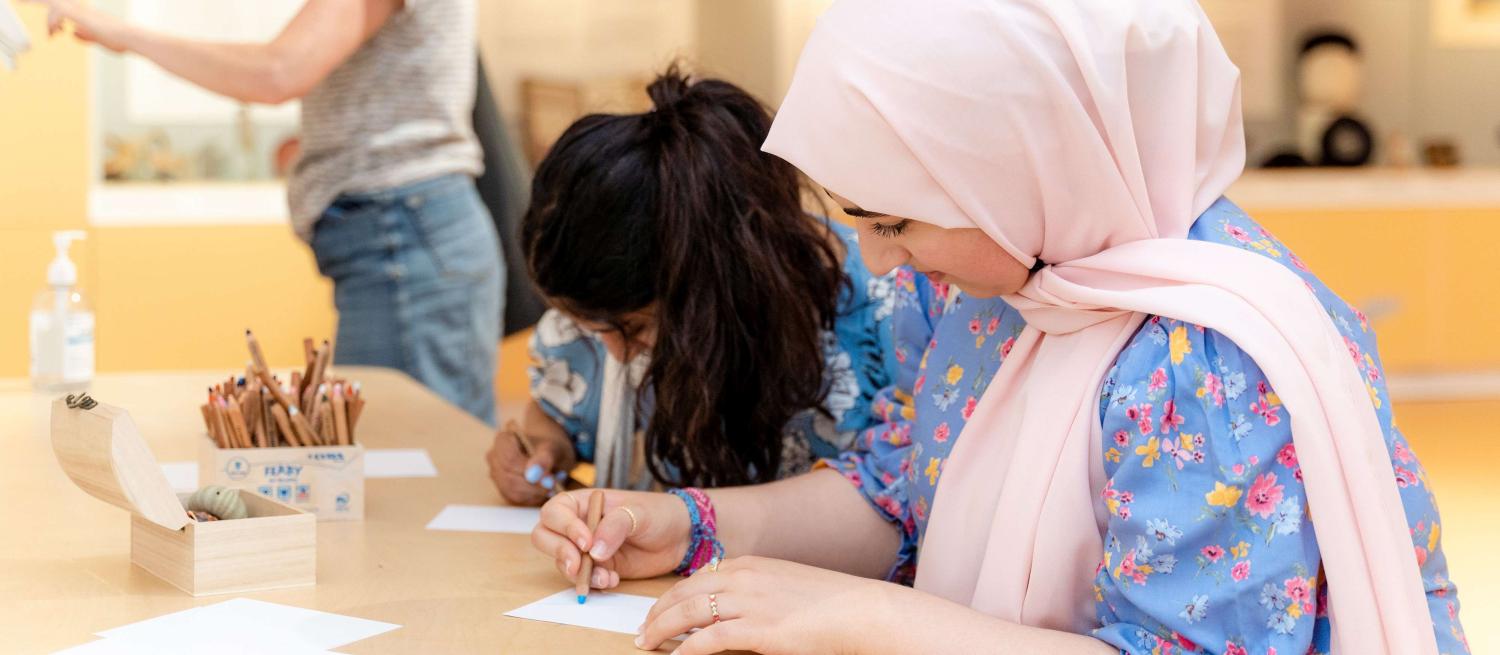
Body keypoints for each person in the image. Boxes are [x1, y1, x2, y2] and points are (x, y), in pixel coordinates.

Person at [527, 2, 1469, 654]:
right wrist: (688, 525)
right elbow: (901, 494)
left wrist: (861, 619)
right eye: (864, 222)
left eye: (897, 222)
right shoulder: (998, 285)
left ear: (1032, 171)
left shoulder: (1211, 361)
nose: (883, 263)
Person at [30, 0, 503, 424]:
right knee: (396, 458)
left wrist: (121, 33)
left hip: (403, 238)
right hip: (399, 236)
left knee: (408, 462)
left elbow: (278, 72)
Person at [485, 69, 898, 505]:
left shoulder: (887, 313)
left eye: (637, 329)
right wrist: (543, 450)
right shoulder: (610, 302)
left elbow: (897, 509)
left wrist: (695, 528)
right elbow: (560, 416)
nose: (617, 354)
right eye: (590, 328)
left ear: (722, 287)